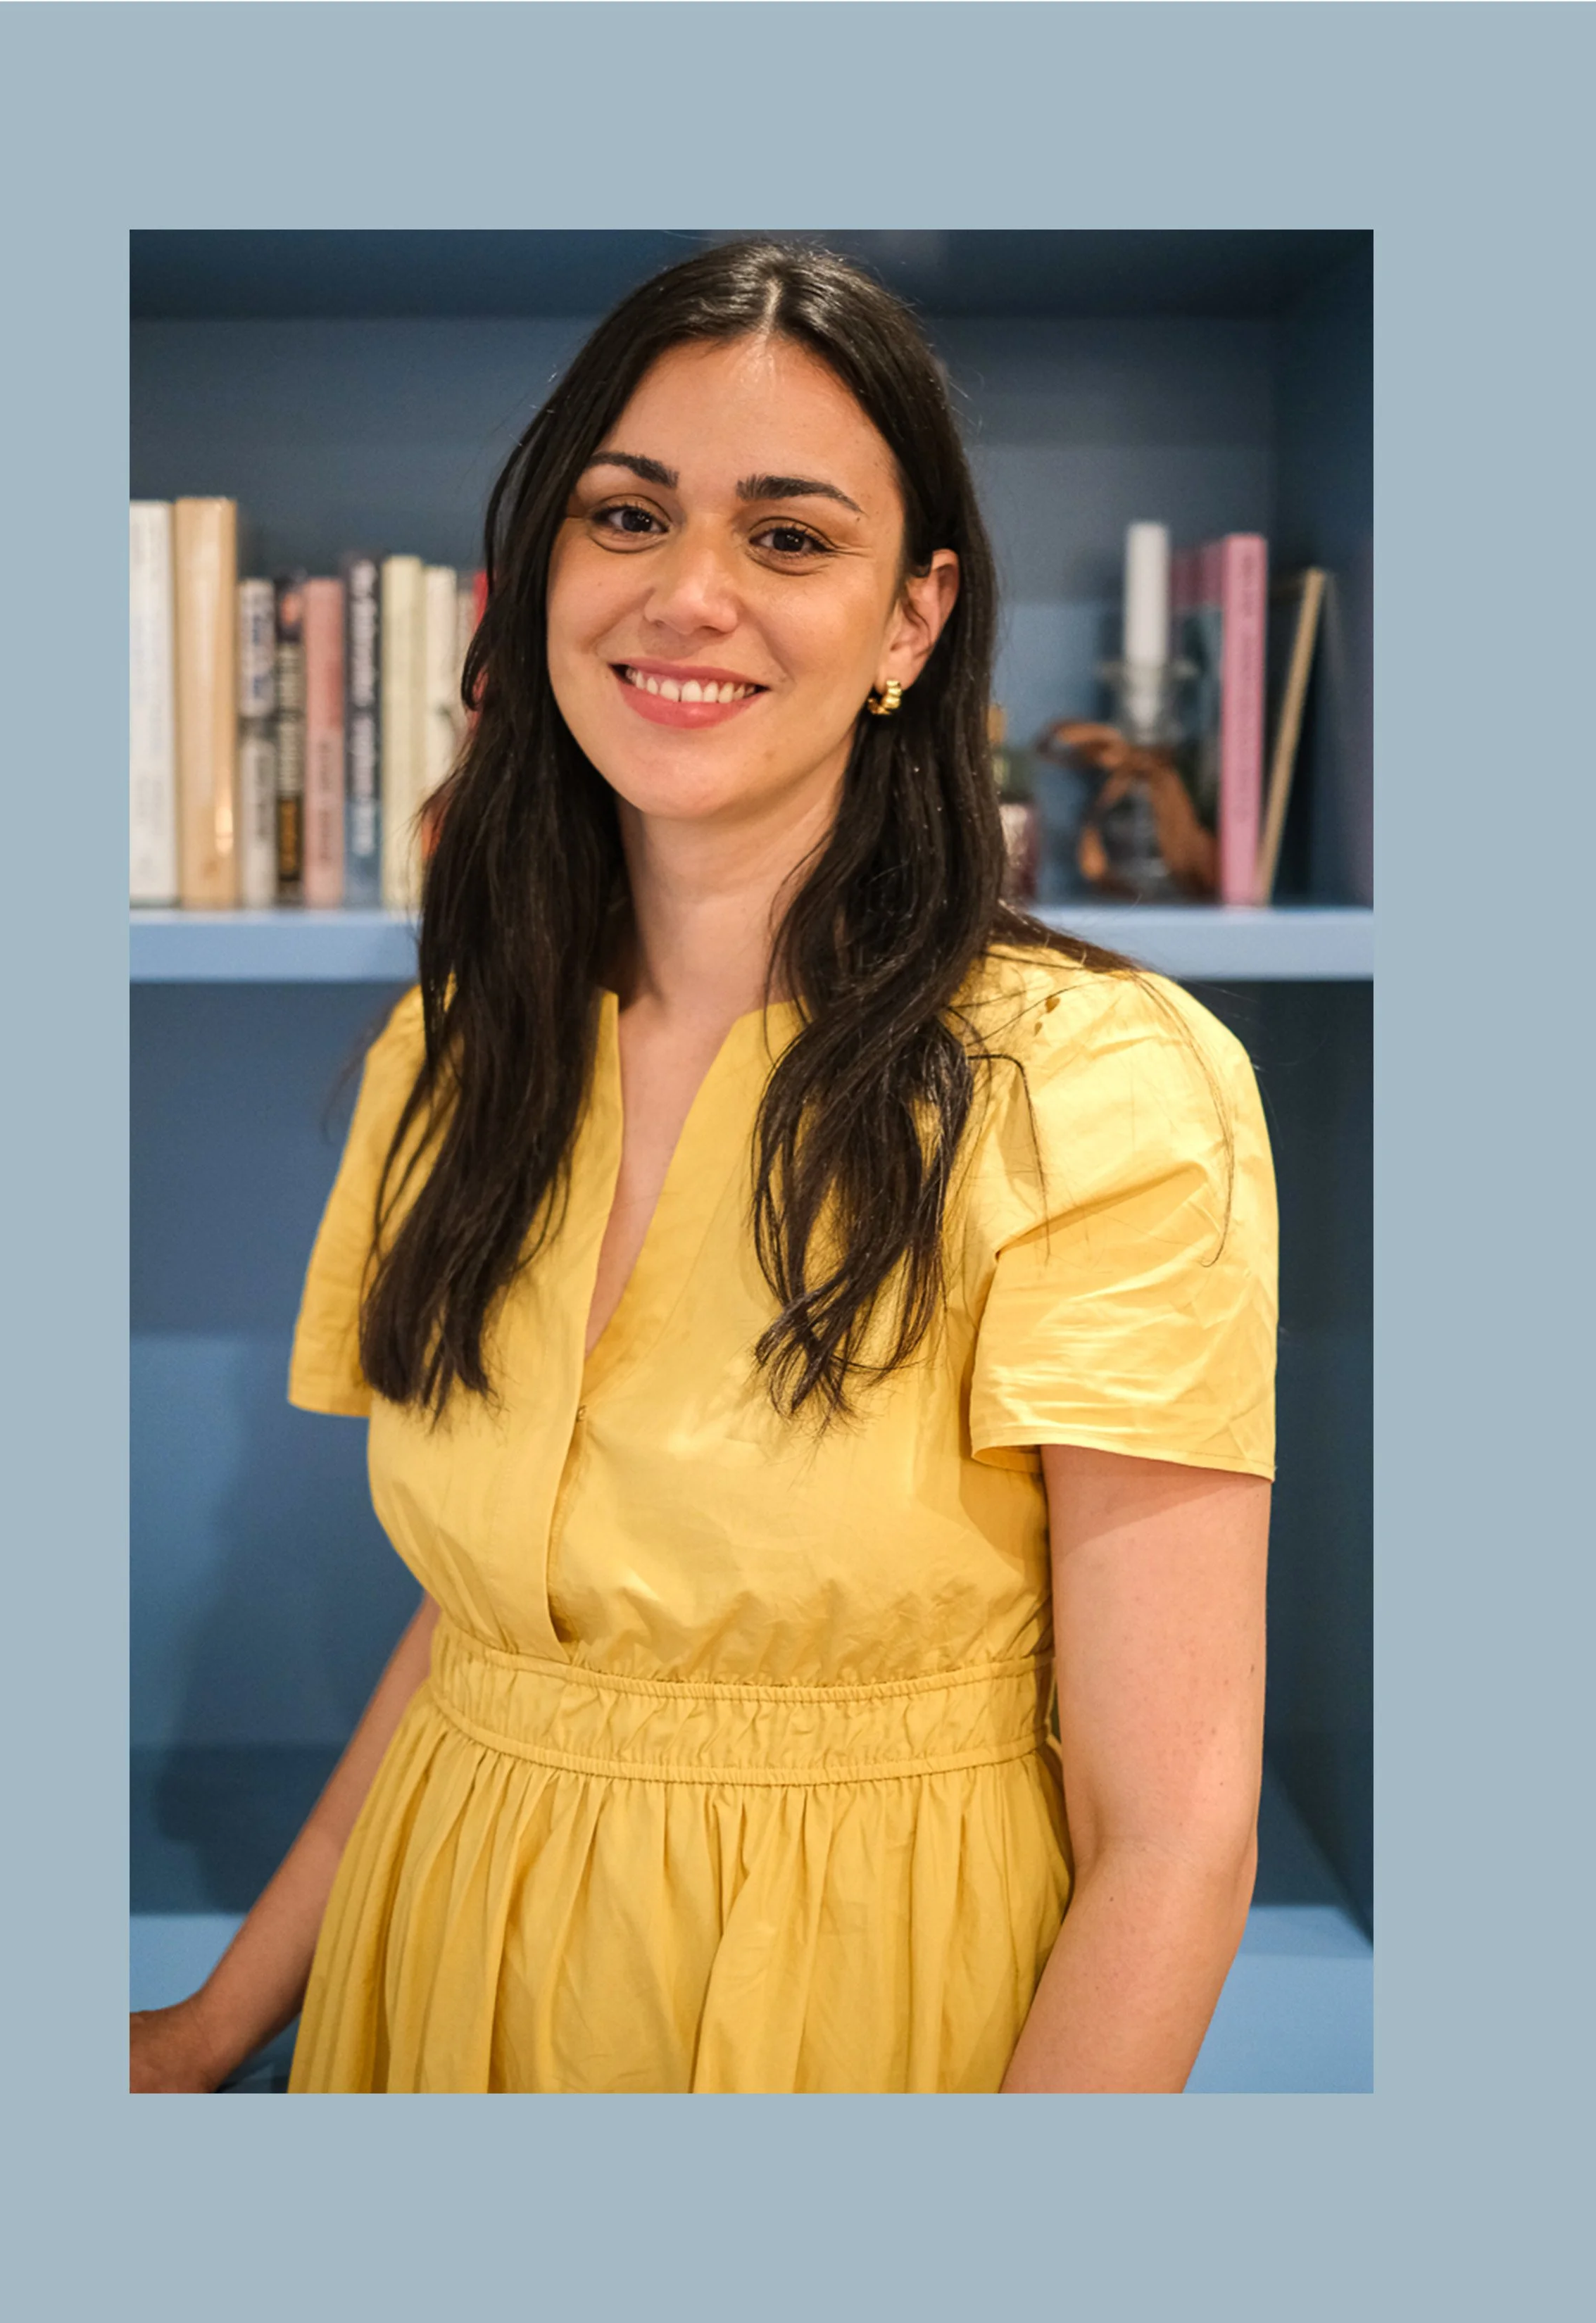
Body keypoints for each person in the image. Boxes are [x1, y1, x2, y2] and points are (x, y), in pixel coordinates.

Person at [130, 240, 1276, 2096]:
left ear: (912, 623)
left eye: (793, 538)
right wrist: (206, 2029)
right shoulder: (453, 1053)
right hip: (439, 1966)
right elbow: (505, 1629)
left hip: (859, 2013)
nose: (688, 595)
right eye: (628, 513)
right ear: (546, 574)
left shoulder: (1100, 1087)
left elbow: (1175, 1838)